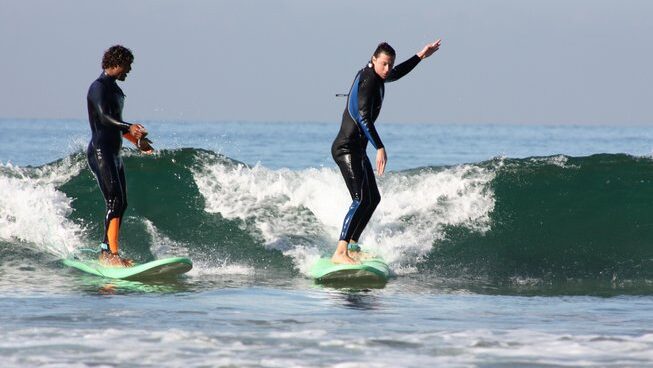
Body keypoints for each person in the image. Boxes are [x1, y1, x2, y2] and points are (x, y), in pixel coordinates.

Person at [330, 39, 441, 264]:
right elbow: (363, 117)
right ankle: (340, 252)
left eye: (390, 64)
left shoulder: (378, 75)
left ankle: (352, 245)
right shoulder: (369, 81)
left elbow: (397, 73)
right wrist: (379, 147)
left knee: (373, 199)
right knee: (361, 199)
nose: (388, 69)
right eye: (384, 64)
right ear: (373, 60)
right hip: (346, 148)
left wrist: (420, 55)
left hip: (357, 150)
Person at [86, 45, 153, 267]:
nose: (129, 70)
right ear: (116, 63)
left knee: (120, 203)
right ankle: (110, 254)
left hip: (114, 153)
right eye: (127, 65)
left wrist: (137, 141)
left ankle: (108, 250)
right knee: (114, 201)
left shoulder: (115, 89)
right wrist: (129, 125)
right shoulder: (98, 88)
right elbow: (104, 118)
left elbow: (119, 126)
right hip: (100, 151)